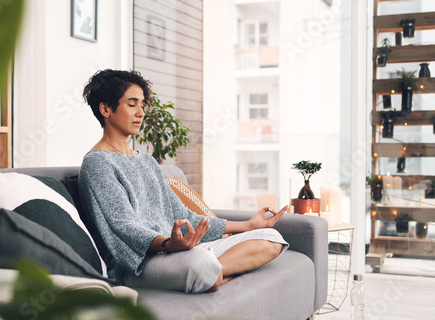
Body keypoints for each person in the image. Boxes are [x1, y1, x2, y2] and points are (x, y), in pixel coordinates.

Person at [78, 69, 289, 293]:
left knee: (271, 238)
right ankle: (210, 272)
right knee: (200, 264)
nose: (141, 112)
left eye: (142, 104)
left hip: (179, 251)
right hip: (142, 263)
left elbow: (184, 216)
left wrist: (248, 226)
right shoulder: (98, 163)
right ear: (106, 109)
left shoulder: (147, 161)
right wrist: (168, 244)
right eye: (132, 104)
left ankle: (215, 273)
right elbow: (124, 226)